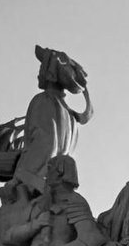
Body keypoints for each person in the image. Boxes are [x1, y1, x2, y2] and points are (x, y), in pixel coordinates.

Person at [13, 47, 92, 196]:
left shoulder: (44, 101)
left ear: (50, 72)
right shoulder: (69, 113)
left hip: (34, 182)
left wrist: (22, 176)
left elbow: (46, 143)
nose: (40, 72)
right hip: (53, 182)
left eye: (43, 66)